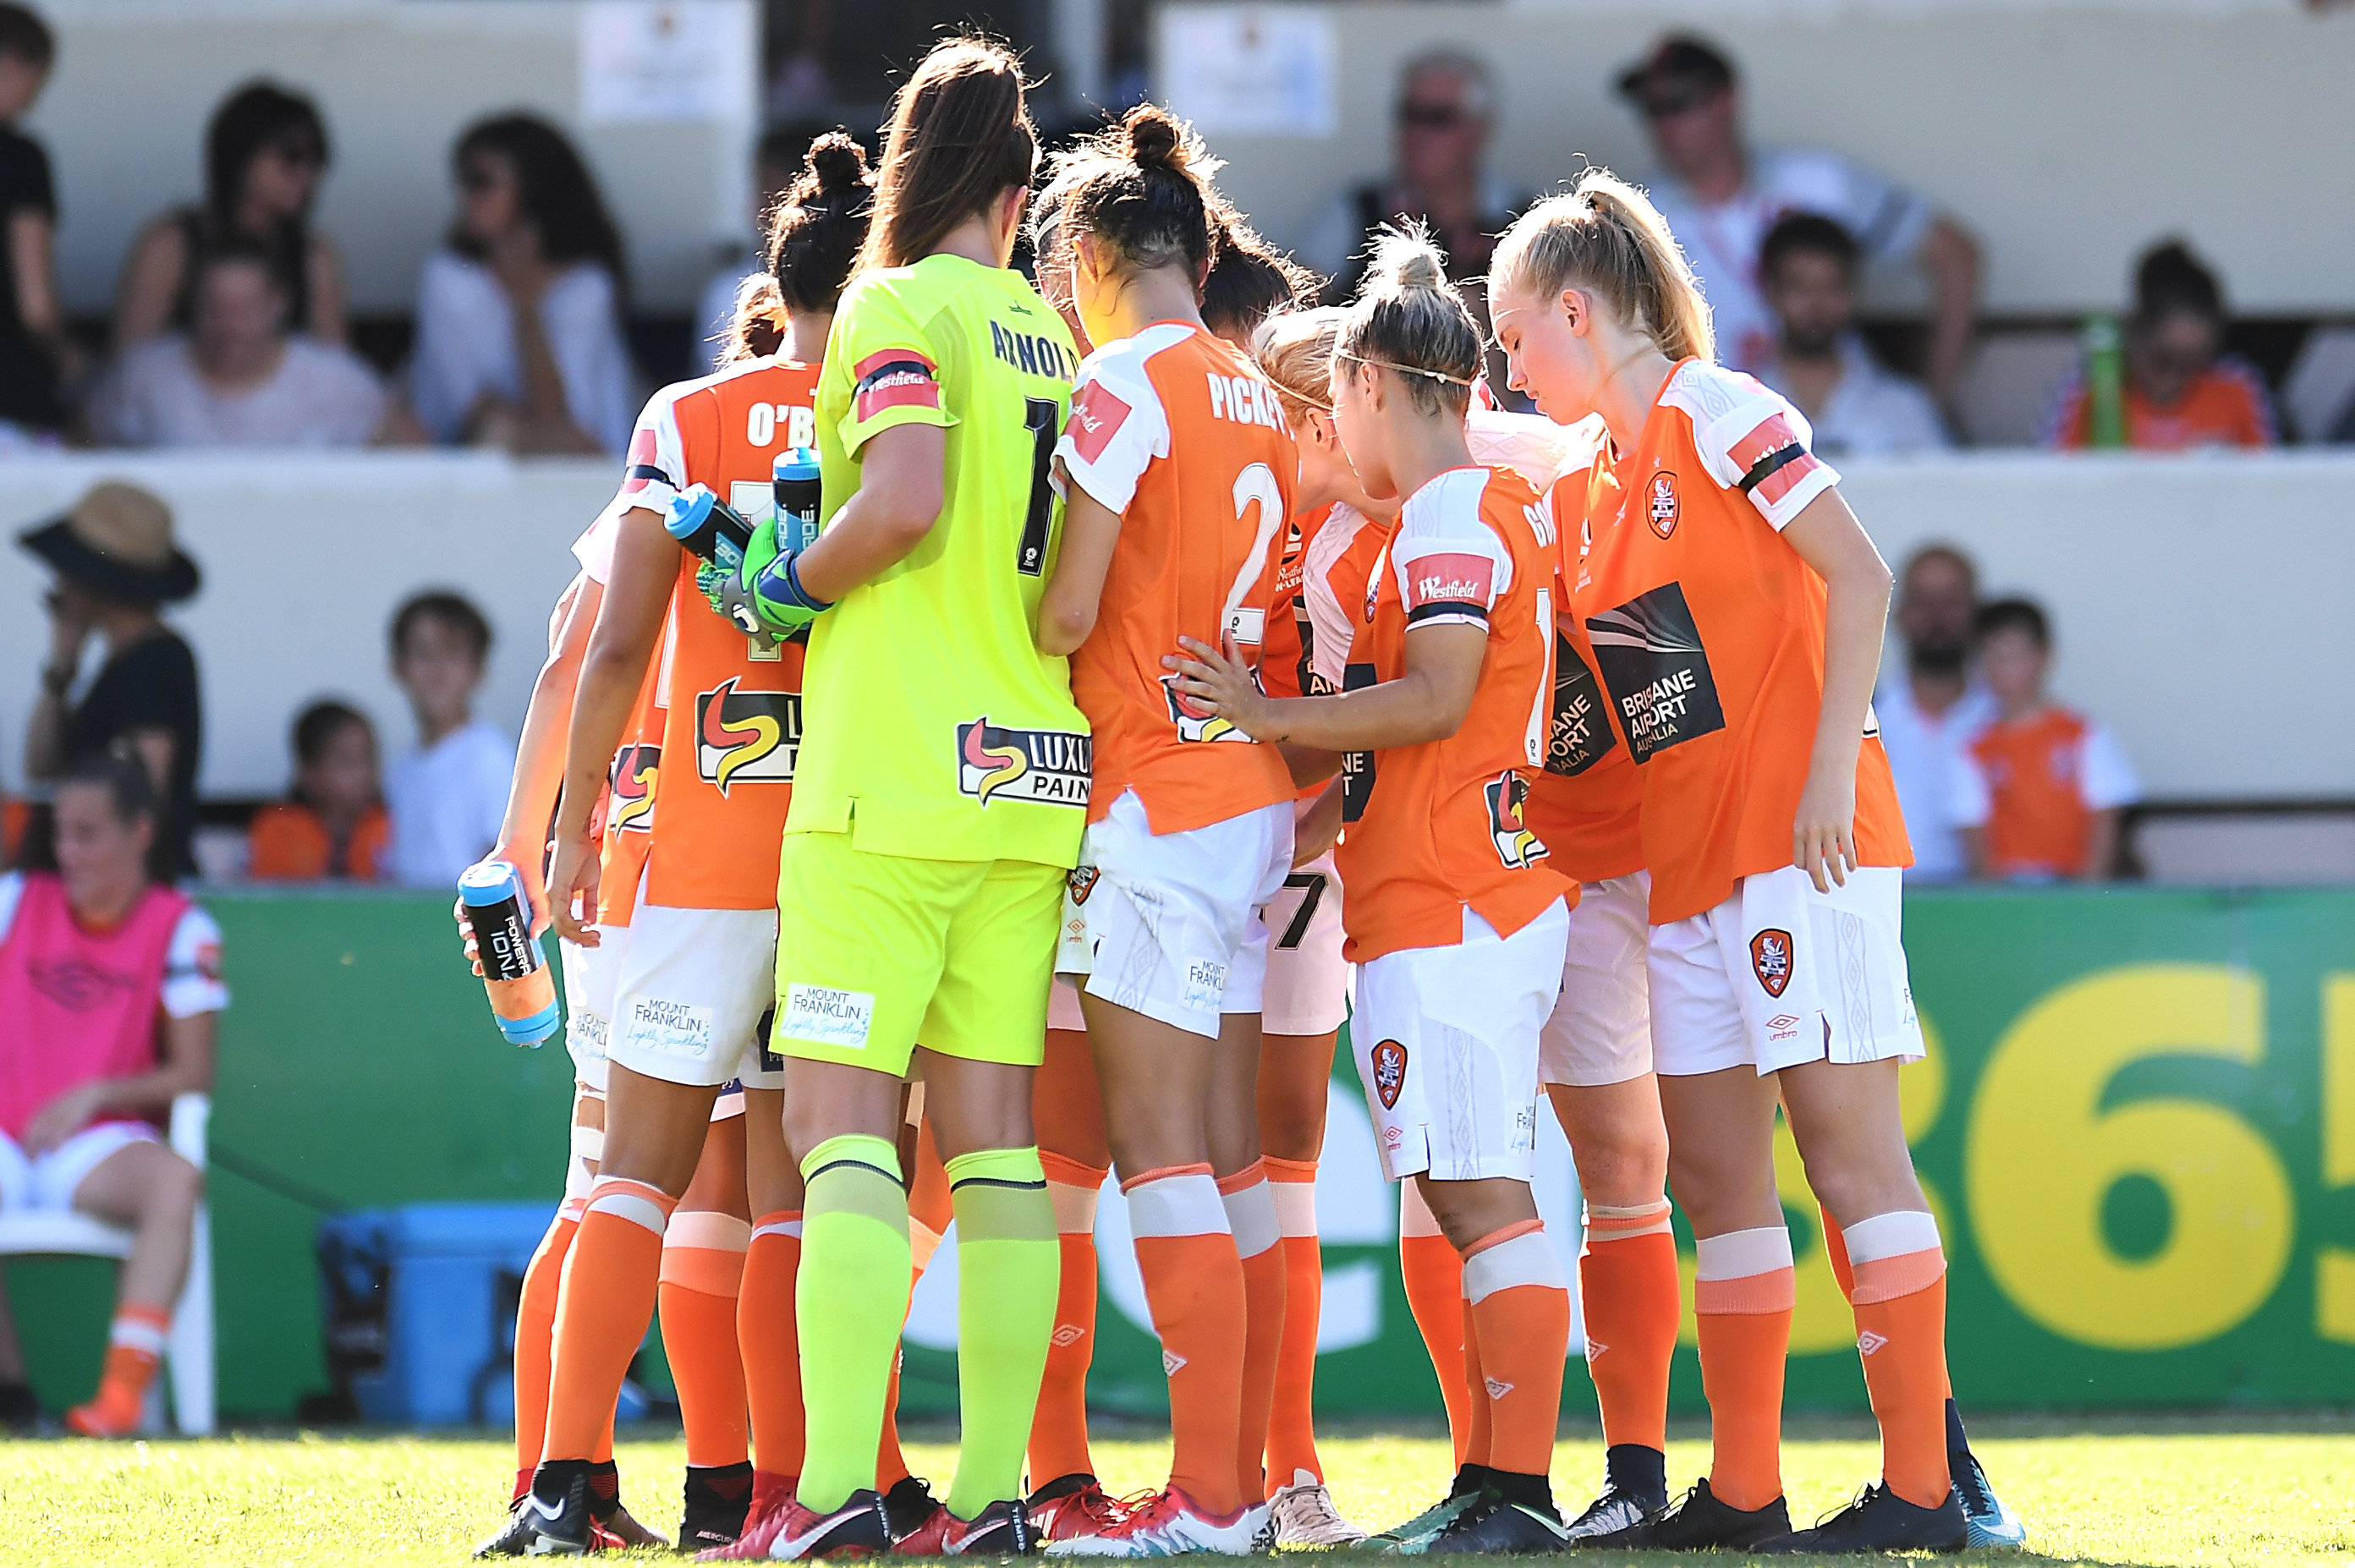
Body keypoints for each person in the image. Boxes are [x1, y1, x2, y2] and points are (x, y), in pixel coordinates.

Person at [1489, 170, 1972, 1554]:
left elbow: (1860, 574)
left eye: (1518, 335)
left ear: (1578, 310)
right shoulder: (1588, 478)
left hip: (1801, 850)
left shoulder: (1720, 410)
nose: (1511, 369)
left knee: (1846, 1157)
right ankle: (1745, 1489)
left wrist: (1829, 776)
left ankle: (1919, 1494)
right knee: (1712, 1181)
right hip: (1686, 875)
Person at [488, 134, 875, 1560]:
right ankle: (784, 1492)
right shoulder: (907, 427)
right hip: (847, 858)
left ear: (774, 280)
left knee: (631, 1178)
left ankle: (556, 1481)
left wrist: (571, 825)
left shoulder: (687, 414)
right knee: (797, 1192)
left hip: (694, 854)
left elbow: (604, 646)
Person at [728, 38, 1083, 1560]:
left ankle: (824, 1497)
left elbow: (906, 500)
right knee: (995, 1139)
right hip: (1031, 770)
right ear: (1019, 190)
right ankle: (997, 1490)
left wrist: (781, 587)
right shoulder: (1052, 335)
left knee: (840, 1125)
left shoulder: (890, 303)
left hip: (892, 773)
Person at [1172, 229, 1578, 1554]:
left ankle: (1513, 1489)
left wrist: (1264, 708)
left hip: (1455, 888)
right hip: (1450, 884)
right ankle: (1494, 1479)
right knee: (1463, 1191)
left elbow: (1441, 696)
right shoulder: (1464, 513)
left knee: (1477, 1194)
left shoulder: (1455, 512)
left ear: (1369, 387)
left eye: (1334, 391)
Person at [1028, 104, 1301, 1556]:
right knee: (1215, 1148)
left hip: (1147, 796)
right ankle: (1239, 1479)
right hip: (1243, 793)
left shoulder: (1116, 383)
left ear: (1083, 255)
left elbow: (1068, 610)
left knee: (1158, 1152)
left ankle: (1205, 1501)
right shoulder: (1255, 390)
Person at [0, 754, 219, 1438]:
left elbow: (194, 1074)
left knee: (177, 1183)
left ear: (141, 832)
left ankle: (120, 1399)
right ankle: (10, 1392)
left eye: (89, 833)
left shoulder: (182, 926)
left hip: (96, 1146)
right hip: (6, 1138)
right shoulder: (13, 900)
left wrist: (95, 1093)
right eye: (62, 832)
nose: (69, 851)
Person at [1614, 34, 1979, 403]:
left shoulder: (1819, 182)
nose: (1664, 125)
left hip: (1840, 418)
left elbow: (1956, 255)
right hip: (1717, 428)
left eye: (1679, 103)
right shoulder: (1640, 215)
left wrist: (1937, 396)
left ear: (1728, 101)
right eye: (1651, 109)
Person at [409, 114, 637, 455]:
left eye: (481, 182)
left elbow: (559, 419)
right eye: (463, 181)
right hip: (465, 467)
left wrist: (527, 306)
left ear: (533, 189)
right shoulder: (448, 278)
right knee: (499, 432)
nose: (465, 196)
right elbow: (474, 418)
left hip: (593, 468)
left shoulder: (586, 287)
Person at [19, 483, 204, 882]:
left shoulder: (152, 664)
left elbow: (145, 788)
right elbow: (39, 768)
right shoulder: (122, 664)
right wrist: (61, 668)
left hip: (127, 899)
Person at [112, 80, 343, 355]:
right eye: (291, 157)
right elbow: (129, 365)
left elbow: (337, 372)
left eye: (316, 158)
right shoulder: (170, 245)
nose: (306, 174)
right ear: (240, 157)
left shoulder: (313, 256)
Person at [88, 239, 391, 448]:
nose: (227, 327)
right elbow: (77, 453)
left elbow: (412, 455)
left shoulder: (339, 381)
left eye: (243, 311)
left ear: (279, 305)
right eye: (213, 309)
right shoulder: (144, 376)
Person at [1301, 51, 1521, 300]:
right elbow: (1299, 303)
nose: (1418, 133)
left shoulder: (1522, 220)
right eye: (1409, 114)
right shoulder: (1356, 212)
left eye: (1438, 118)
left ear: (1479, 129)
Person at [1953, 599, 2139, 882]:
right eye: (1991, 655)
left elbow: (2104, 822)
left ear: (2044, 657)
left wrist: (2087, 893)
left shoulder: (2083, 735)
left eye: (2012, 655)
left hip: (2071, 888)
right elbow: (1974, 835)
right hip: (2010, 893)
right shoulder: (1973, 748)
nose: (2000, 668)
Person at [2045, 240, 2275, 451]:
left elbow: (2273, 482)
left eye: (2194, 362)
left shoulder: (2237, 384)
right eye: (2165, 359)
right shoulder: (2089, 383)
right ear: (2137, 332)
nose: (2177, 375)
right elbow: (2047, 480)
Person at [1753, 215, 1948, 457]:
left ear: (1852, 293)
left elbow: (1944, 491)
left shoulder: (1905, 408)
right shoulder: (1738, 408)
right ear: (1771, 293)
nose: (1817, 304)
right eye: (1799, 287)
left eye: (1831, 287)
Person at [1874, 546, 1993, 884]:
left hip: (1996, 914)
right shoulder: (1862, 725)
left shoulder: (2009, 723)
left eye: (1952, 601)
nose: (1937, 616)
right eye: (1922, 602)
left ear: (1977, 613)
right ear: (1898, 614)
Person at [382, 591, 513, 890]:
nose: (437, 671)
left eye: (453, 654)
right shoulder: (400, 770)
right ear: (397, 666)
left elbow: (504, 862)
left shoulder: (491, 758)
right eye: (423, 654)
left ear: (479, 670)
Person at [0, 3, 73, 444]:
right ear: (11, 62)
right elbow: (36, 305)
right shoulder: (20, 159)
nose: (32, 101)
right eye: (36, 82)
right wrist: (68, 357)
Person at [246, 700, 388, 881]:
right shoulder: (278, 828)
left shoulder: (390, 827)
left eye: (369, 758)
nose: (364, 774)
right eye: (346, 762)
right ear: (308, 774)